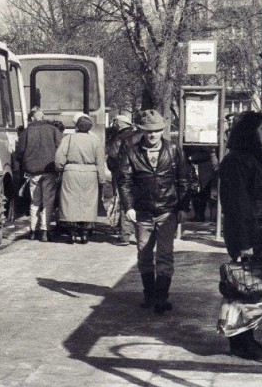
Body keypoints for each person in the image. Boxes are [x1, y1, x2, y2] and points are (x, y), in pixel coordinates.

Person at [217, 111, 262, 360]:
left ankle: (248, 338)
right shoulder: (236, 161)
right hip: (248, 237)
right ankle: (240, 343)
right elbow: (236, 205)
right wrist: (243, 243)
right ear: (249, 131)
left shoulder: (260, 157)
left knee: (252, 289)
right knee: (242, 288)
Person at [118, 109, 191, 313]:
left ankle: (161, 297)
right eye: (149, 131)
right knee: (144, 254)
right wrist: (128, 206)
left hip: (168, 211)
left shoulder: (174, 149)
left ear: (163, 130)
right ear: (142, 131)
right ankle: (149, 294)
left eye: (157, 130)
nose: (153, 135)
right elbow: (124, 181)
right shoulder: (131, 151)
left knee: (165, 255)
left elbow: (183, 179)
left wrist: (183, 208)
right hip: (143, 212)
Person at [55, 113, 107, 244]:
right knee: (88, 202)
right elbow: (100, 161)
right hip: (90, 173)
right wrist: (101, 179)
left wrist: (60, 169)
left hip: (71, 172)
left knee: (70, 201)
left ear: (76, 126)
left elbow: (59, 157)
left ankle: (71, 232)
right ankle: (84, 233)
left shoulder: (69, 138)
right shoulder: (95, 141)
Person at [13, 106, 63, 242]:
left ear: (32, 118)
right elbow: (61, 149)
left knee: (35, 202)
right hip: (50, 171)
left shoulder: (26, 132)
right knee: (48, 201)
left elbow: (19, 152)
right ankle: (45, 231)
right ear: (42, 116)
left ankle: (33, 231)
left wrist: (22, 167)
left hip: (33, 172)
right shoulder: (54, 130)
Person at [106, 115, 138, 245]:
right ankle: (135, 231)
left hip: (121, 172)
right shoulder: (137, 135)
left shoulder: (119, 137)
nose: (114, 124)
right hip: (137, 173)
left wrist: (113, 168)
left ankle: (124, 234)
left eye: (115, 122)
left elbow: (113, 155)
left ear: (120, 123)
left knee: (123, 201)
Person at [187, 147, 219, 222]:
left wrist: (192, 157)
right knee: (195, 193)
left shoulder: (206, 144)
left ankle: (200, 216)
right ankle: (198, 215)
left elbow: (207, 153)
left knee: (201, 194)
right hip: (198, 170)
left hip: (203, 170)